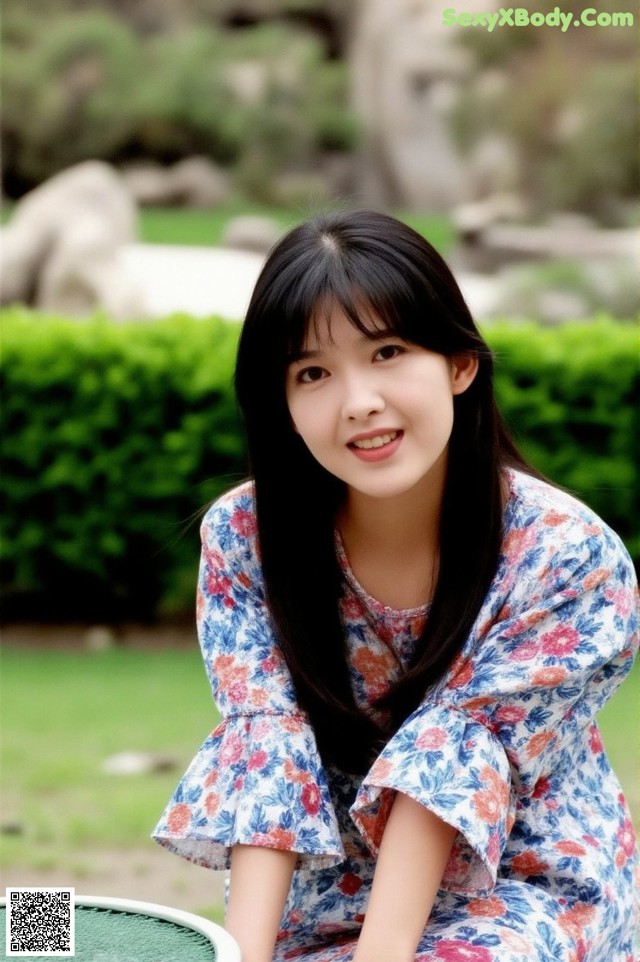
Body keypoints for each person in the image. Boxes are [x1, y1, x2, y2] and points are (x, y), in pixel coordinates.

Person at [153, 210, 638, 962]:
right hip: (327, 892)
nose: (358, 401)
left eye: (387, 352)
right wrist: (242, 957)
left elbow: (445, 765)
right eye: (312, 371)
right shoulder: (243, 538)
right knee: (46, 934)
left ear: (459, 364)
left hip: (521, 888)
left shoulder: (566, 556)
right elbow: (267, 749)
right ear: (281, 402)